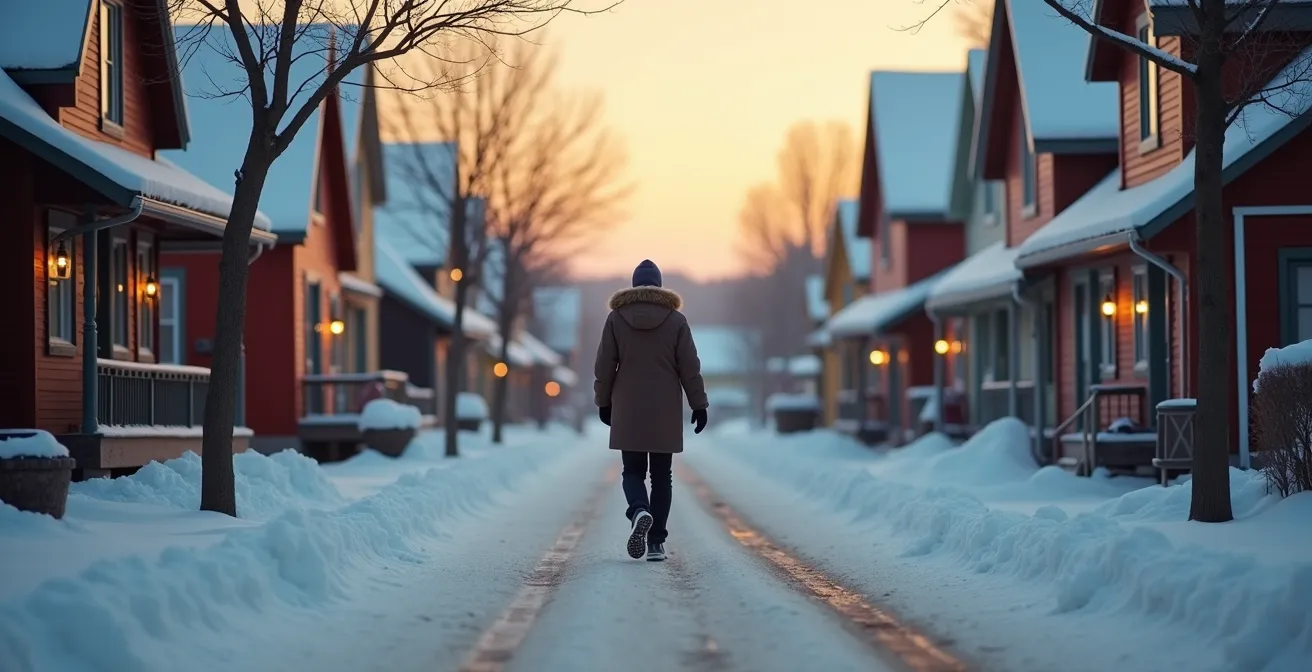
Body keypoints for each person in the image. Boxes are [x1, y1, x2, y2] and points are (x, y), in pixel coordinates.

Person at [594, 259, 708, 562]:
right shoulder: (676, 321)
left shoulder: (616, 319)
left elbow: (604, 366)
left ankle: (639, 510)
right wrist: (699, 404)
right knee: (661, 476)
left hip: (627, 408)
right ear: (659, 286)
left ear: (634, 286)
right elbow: (690, 368)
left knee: (632, 471)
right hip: (665, 411)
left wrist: (603, 401)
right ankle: (656, 542)